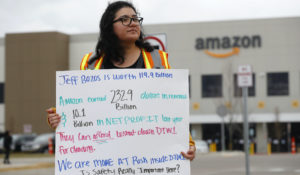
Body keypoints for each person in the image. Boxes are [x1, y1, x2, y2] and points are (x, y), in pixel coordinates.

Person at [47, 1, 195, 161]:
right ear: (109, 27)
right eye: (125, 19)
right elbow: (81, 106)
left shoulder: (158, 60)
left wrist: (188, 143)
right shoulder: (91, 63)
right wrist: (59, 117)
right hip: (107, 159)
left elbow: (172, 109)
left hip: (148, 158)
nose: (132, 23)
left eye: (135, 19)